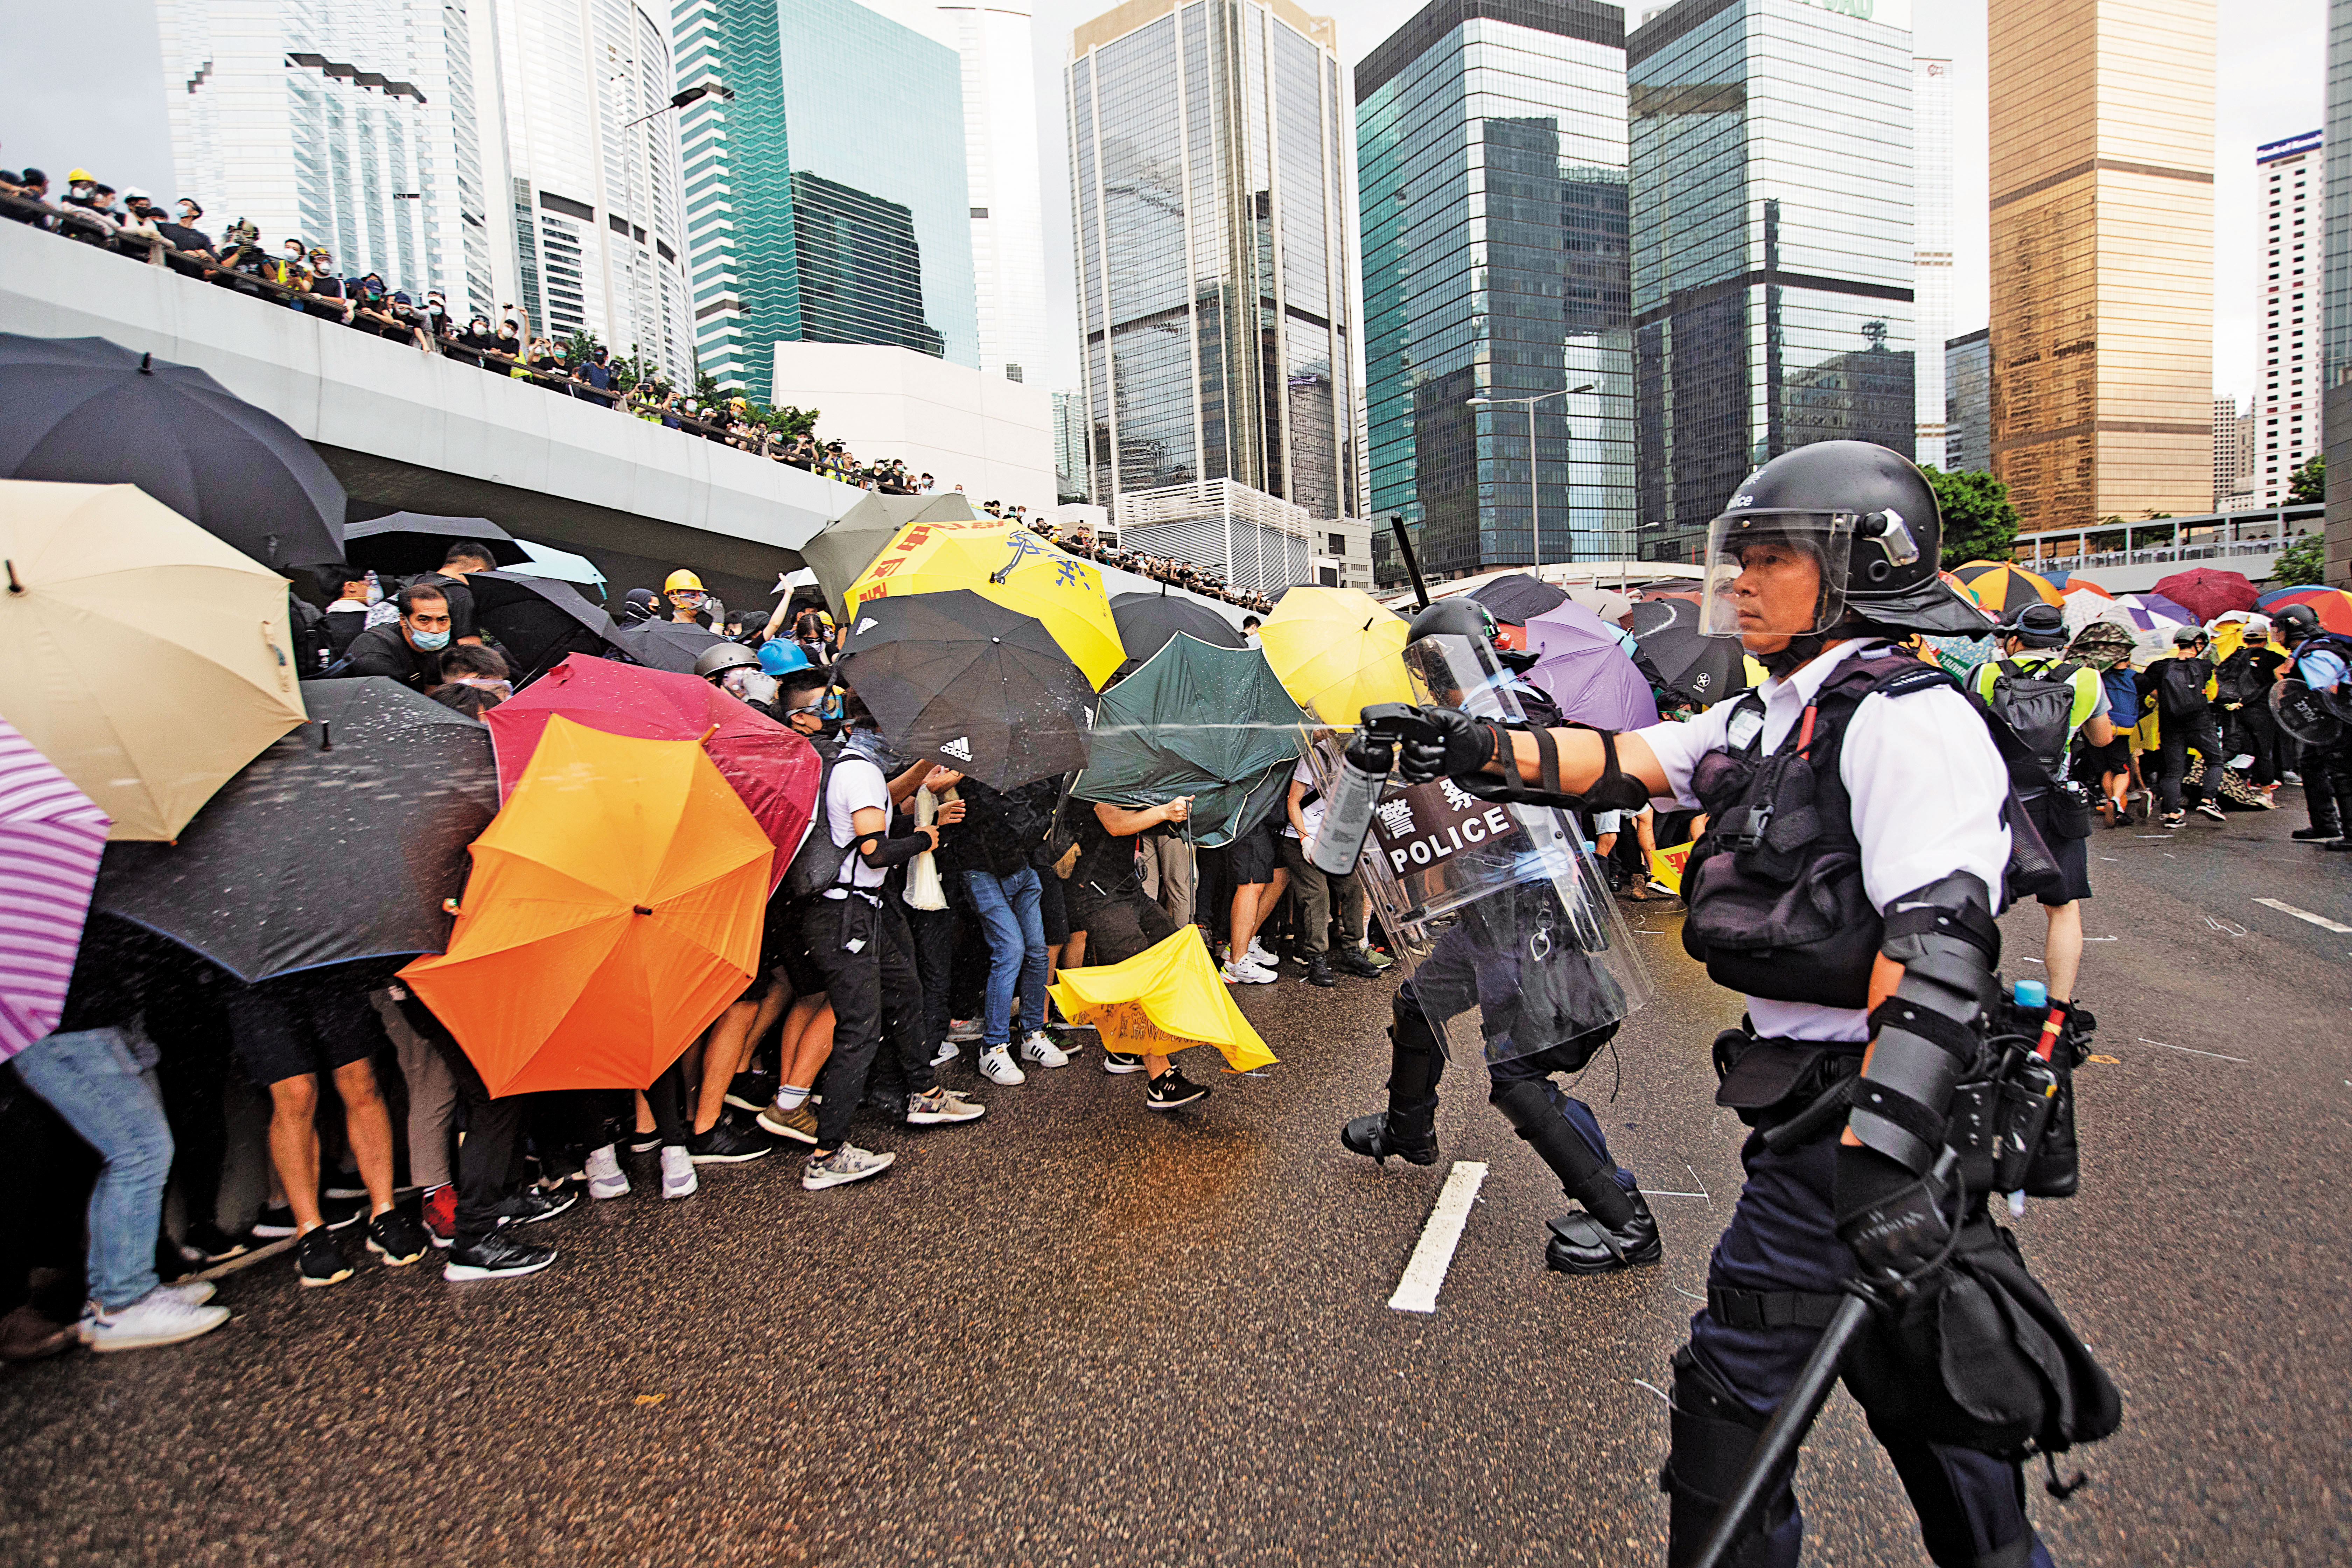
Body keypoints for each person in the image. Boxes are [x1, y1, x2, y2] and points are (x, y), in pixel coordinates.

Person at [1391, 442, 2086, 1567]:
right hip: (1817, 1120)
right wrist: (1467, 743)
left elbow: (1937, 948)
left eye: (1774, 559)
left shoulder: (1904, 718)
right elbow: (1616, 760)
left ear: (1860, 569)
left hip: (1866, 1120)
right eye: (1742, 557)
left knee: (1831, 1410)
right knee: (1877, 1416)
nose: (1745, 581)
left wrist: (1881, 1155)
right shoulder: (1770, 716)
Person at [1337, 596, 1655, 1279]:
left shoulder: (1523, 710)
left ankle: (1623, 1216)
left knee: (1518, 1074)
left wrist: (1471, 743)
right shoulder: (1449, 722)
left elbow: (1543, 773)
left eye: (1433, 666)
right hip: (1482, 915)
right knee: (1418, 1005)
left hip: (1533, 918)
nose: (1430, 681)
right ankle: (1409, 1129)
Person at [9, 920, 231, 1352]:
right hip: (69, 1028)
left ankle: (115, 1294)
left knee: (134, 1154)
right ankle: (123, 1303)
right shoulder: (45, 893)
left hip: (97, 1020)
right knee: (139, 1152)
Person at [1973, 602, 2109, 1015]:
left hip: (1995, 804)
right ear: (2061, 642)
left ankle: (1971, 994)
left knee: (1974, 900)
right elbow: (2102, 740)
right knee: (2063, 907)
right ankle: (2059, 1006)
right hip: (2055, 804)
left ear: (2015, 639)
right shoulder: (2087, 679)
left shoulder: (1984, 674)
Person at [1274, 743, 1377, 987]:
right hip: (1300, 837)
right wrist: (1304, 839)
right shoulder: (1316, 756)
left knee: (1353, 888)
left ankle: (1352, 950)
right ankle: (1316, 958)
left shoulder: (1360, 759)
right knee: (1317, 894)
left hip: (1333, 838)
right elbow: (1293, 801)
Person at [2274, 601, 2352, 850]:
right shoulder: (2317, 648)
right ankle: (2324, 824)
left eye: (2279, 629)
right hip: (2329, 722)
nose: (2277, 635)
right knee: (2311, 764)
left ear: (2293, 628)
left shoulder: (2314, 654)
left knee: (2341, 773)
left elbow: (2323, 693)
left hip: (2336, 722)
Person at [2143, 625, 2226, 828]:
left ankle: (2172, 815)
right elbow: (2212, 694)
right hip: (2200, 723)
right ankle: (2207, 801)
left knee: (2174, 772)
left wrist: (2170, 700)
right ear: (2198, 644)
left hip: (2170, 724)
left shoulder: (2159, 667)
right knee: (2215, 761)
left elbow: (2149, 691)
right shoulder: (2205, 667)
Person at [341, 583, 453, 689]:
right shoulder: (376, 657)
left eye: (442, 620)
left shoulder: (439, 647)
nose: (435, 630)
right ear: (403, 620)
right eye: (424, 620)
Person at [317, 563, 375, 662]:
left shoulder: (321, 624)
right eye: (368, 582)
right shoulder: (376, 620)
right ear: (351, 587)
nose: (371, 586)